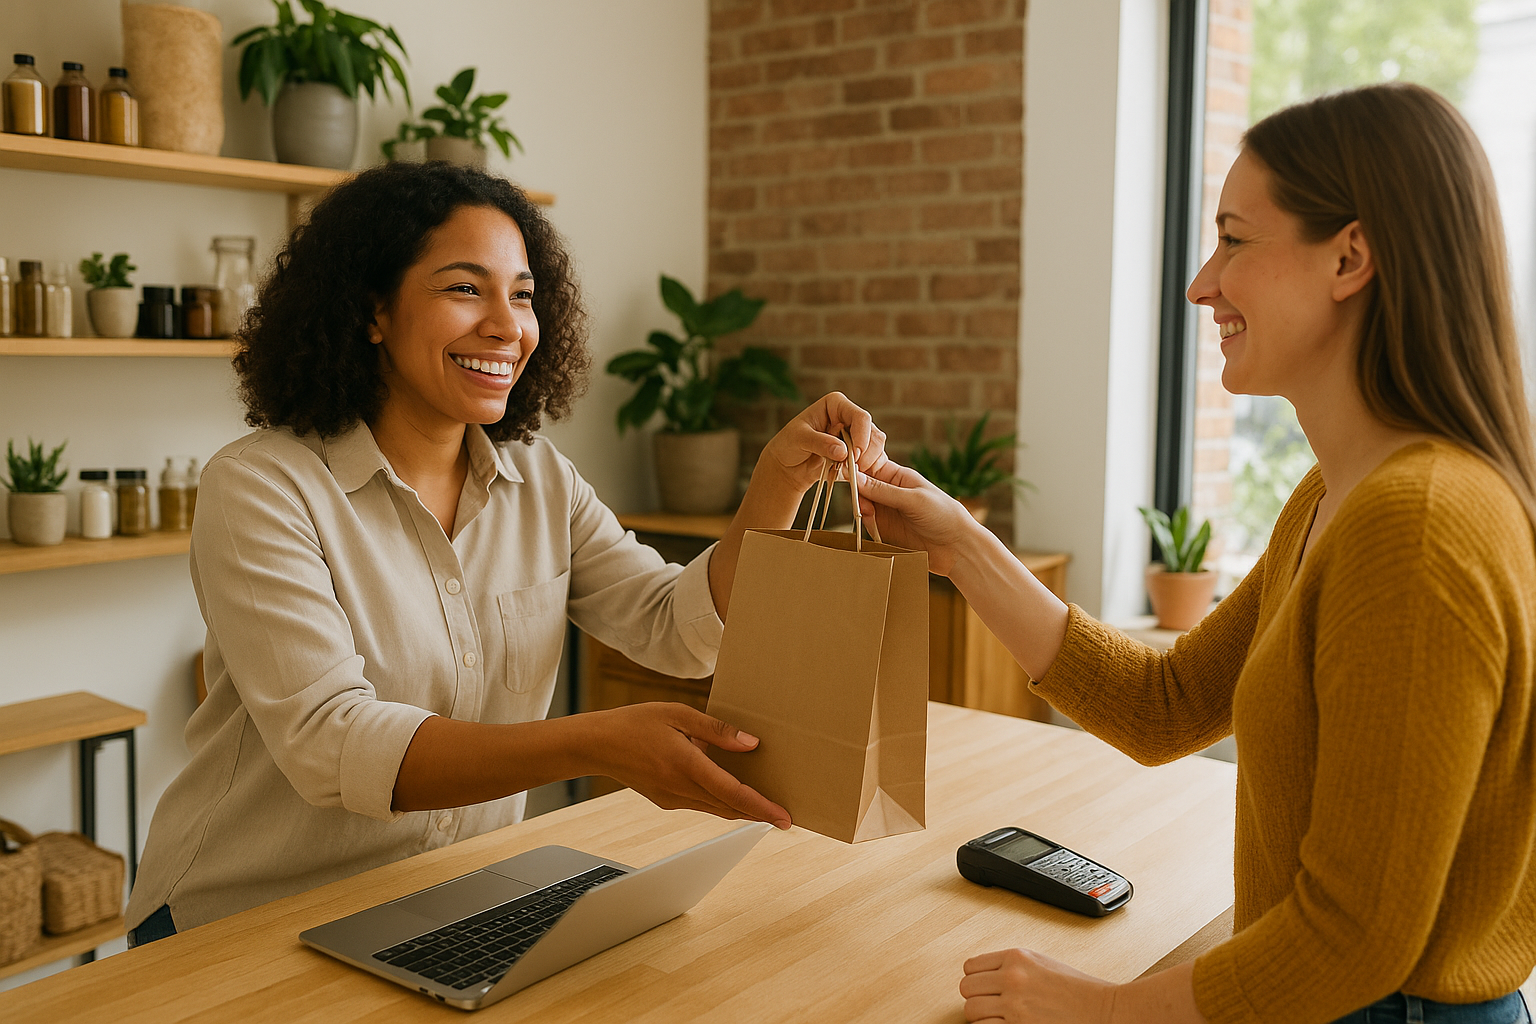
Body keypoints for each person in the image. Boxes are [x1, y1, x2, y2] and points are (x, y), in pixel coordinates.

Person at [858, 83, 1536, 1024]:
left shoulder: (1416, 525)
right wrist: (961, 544)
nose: (1201, 283)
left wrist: (1096, 1009)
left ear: (1351, 256)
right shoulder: (1337, 495)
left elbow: (1355, 939)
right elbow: (1165, 706)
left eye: (1235, 240)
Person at [125, 161, 891, 946]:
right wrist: (594, 743)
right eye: (464, 289)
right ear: (371, 310)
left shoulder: (539, 477)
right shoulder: (260, 487)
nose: (507, 326)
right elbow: (333, 743)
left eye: (522, 295)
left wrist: (773, 489)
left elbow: (675, 629)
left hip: (447, 902)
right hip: (244, 921)